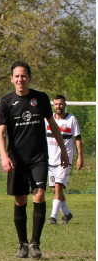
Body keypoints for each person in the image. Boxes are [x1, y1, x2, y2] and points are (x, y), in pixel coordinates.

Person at [0, 61, 69, 259]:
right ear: (12, 79)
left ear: (29, 77)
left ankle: (35, 243)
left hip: (39, 158)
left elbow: (53, 125)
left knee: (39, 195)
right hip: (17, 160)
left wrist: (63, 150)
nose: (20, 79)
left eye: (24, 75)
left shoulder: (41, 98)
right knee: (20, 201)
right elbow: (1, 134)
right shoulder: (5, 102)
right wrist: (4, 156)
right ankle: (22, 244)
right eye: (17, 76)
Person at [47, 95, 83, 225]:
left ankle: (53, 217)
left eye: (60, 104)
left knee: (58, 187)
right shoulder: (48, 120)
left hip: (65, 159)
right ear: (53, 105)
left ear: (65, 104)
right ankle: (67, 213)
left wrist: (80, 157)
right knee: (55, 190)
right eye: (56, 104)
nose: (58, 106)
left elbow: (78, 139)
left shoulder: (72, 120)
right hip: (51, 160)